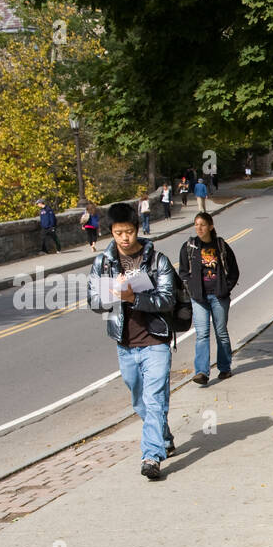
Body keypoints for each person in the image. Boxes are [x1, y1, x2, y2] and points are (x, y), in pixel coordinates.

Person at [87, 202, 178, 480]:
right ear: (111, 233)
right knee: (140, 400)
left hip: (155, 341)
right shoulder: (103, 262)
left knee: (154, 399)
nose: (125, 238)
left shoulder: (156, 260)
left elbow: (168, 299)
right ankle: (163, 435)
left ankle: (151, 456)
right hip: (125, 344)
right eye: (118, 233)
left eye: (129, 231)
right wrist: (113, 294)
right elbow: (94, 301)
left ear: (137, 229)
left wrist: (133, 297)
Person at [179, 211, 240, 386]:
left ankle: (224, 367)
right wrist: (192, 289)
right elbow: (183, 272)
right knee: (202, 334)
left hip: (219, 296)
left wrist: (225, 288)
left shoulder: (221, 245)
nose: (199, 228)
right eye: (196, 224)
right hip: (199, 298)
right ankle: (201, 372)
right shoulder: (189, 247)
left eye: (203, 225)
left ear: (210, 227)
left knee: (221, 333)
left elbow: (234, 270)